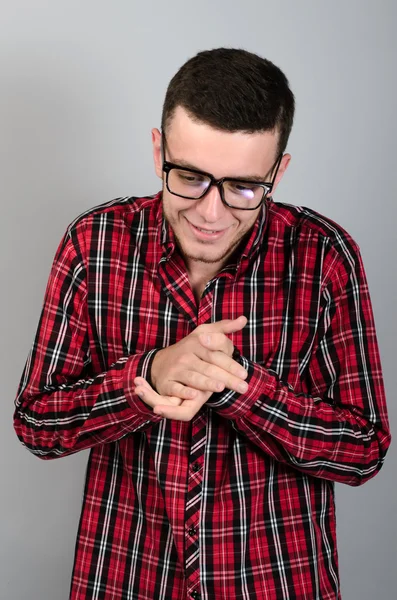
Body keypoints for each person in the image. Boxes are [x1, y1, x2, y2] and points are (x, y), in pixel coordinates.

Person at [14, 48, 391, 600]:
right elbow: (36, 424)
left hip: (276, 583)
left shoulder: (324, 257)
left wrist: (238, 387)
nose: (210, 213)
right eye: (189, 176)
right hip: (126, 578)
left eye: (242, 187)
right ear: (157, 151)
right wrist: (148, 377)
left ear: (278, 173)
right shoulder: (93, 245)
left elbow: (365, 449)